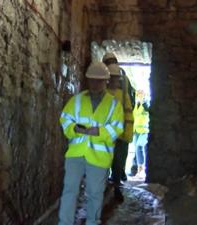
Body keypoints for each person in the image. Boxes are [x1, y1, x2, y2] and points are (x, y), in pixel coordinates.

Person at [58, 62, 124, 225]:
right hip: (76, 154)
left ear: (106, 81)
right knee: (69, 191)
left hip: (99, 157)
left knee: (95, 194)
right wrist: (75, 128)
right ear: (88, 80)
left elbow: (117, 128)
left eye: (99, 80)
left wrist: (99, 132)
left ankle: (92, 222)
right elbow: (65, 119)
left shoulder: (114, 104)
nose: (95, 84)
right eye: (92, 80)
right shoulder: (77, 100)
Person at [102, 52, 137, 179]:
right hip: (121, 127)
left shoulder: (103, 81)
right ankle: (117, 177)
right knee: (118, 159)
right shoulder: (125, 80)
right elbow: (130, 104)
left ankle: (113, 181)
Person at [106, 64, 134, 202]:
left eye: (115, 77)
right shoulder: (102, 93)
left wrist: (127, 134)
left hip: (119, 135)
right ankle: (106, 187)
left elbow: (128, 116)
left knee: (117, 163)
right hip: (106, 135)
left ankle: (116, 187)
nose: (114, 80)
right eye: (112, 77)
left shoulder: (123, 95)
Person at [133, 90, 150, 179]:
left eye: (141, 94)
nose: (139, 96)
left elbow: (148, 109)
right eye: (138, 94)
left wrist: (143, 101)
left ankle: (142, 170)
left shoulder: (146, 103)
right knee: (137, 150)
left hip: (144, 130)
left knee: (139, 146)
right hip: (136, 131)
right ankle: (138, 171)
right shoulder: (136, 105)